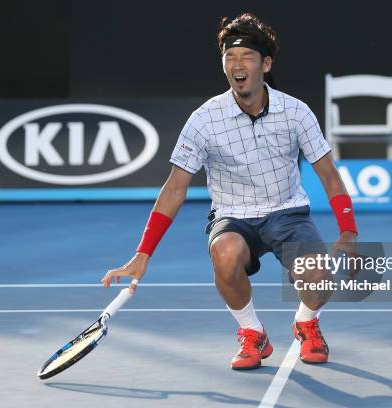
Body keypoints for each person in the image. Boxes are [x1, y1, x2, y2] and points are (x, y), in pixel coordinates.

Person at [101, 12, 358, 370]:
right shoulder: (204, 120)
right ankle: (253, 333)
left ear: (265, 64)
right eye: (230, 58)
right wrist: (143, 253)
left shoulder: (296, 112)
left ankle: (306, 324)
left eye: (247, 57)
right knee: (224, 254)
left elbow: (327, 172)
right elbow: (175, 188)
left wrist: (348, 228)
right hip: (233, 217)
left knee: (318, 276)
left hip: (287, 212)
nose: (237, 65)